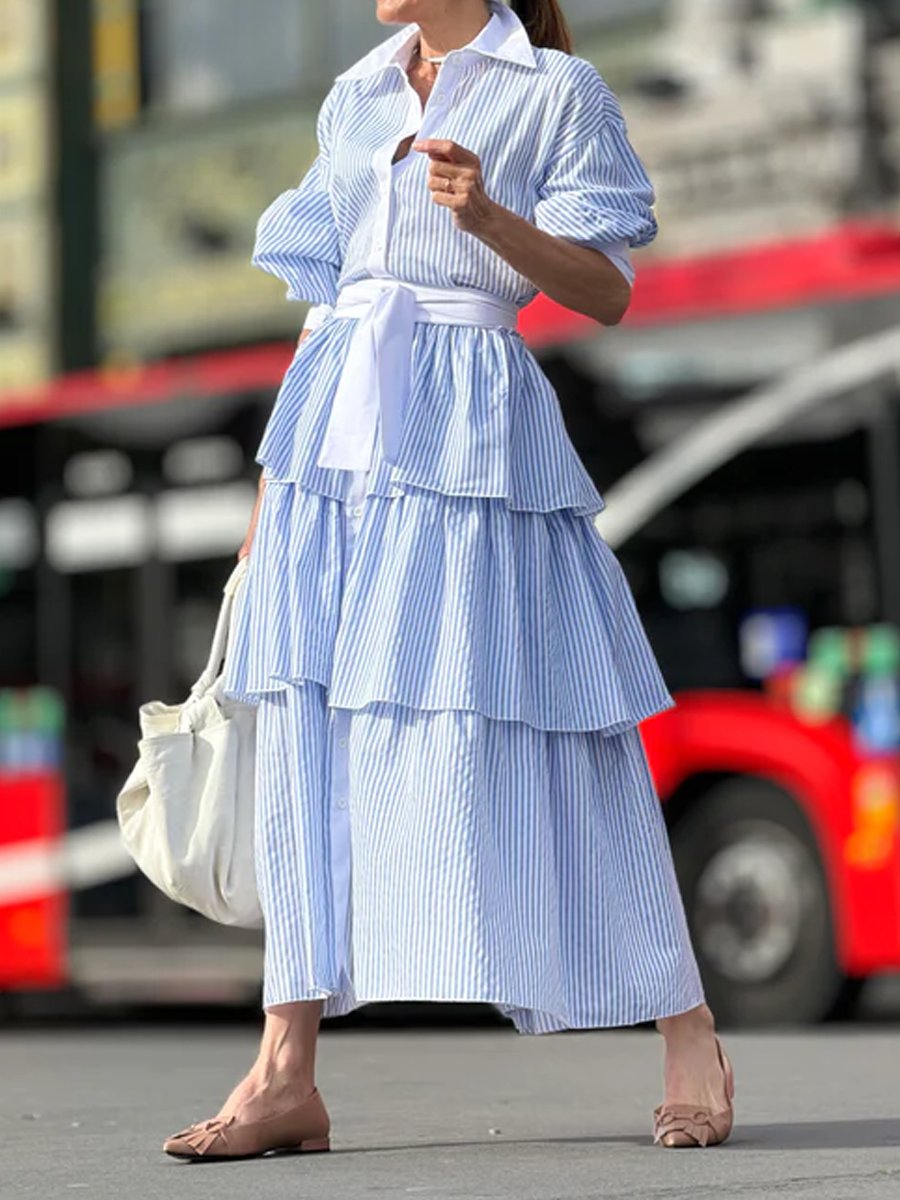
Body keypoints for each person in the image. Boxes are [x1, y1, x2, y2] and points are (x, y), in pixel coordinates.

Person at [163, 0, 735, 1160]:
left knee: (565, 726)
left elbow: (607, 290)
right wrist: (276, 495)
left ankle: (688, 1027)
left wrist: (488, 216)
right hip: (332, 443)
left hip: (478, 435)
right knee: (309, 727)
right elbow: (330, 304)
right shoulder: (356, 93)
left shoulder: (555, 93)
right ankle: (286, 1070)